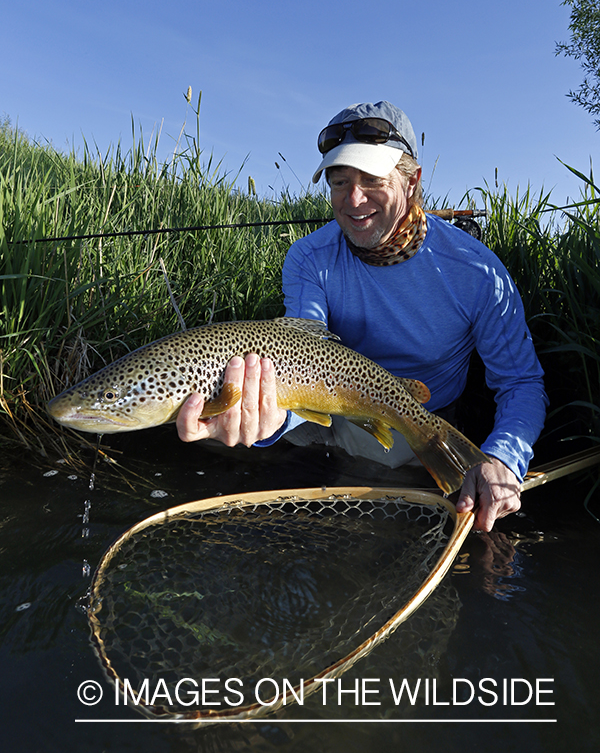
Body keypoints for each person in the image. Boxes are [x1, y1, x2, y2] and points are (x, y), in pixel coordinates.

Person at [177, 101, 548, 532]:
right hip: (321, 405)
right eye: (340, 181)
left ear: (412, 182)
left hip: (408, 421)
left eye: (372, 179)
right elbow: (300, 353)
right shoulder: (308, 258)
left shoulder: (477, 272)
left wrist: (503, 458)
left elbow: (521, 382)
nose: (353, 200)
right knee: (227, 441)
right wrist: (271, 421)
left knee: (370, 530)